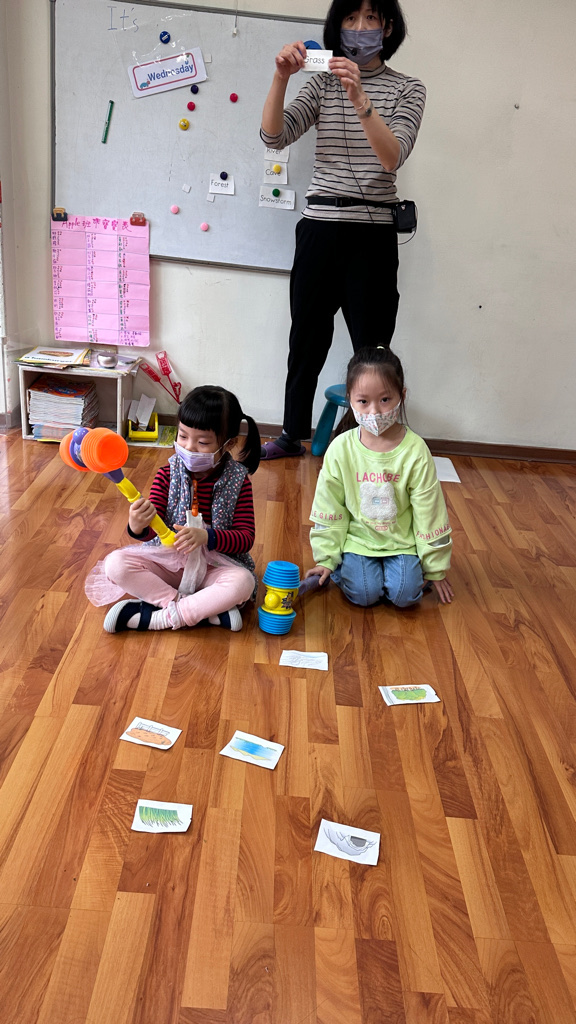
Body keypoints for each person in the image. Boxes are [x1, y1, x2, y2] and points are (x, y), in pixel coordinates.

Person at [260, 0, 426, 460]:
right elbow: (274, 136)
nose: (359, 27)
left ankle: (367, 437)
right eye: (350, 18)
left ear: (387, 27)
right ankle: (292, 433)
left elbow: (391, 157)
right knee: (305, 339)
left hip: (372, 234)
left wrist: (360, 99)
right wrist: (281, 77)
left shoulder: (408, 89)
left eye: (370, 17)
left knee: (372, 349)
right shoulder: (322, 82)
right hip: (319, 227)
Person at [93, 386, 261, 633]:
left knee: (243, 582)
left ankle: (158, 618)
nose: (189, 447)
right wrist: (138, 525)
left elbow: (245, 538)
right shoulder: (167, 474)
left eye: (202, 442)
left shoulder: (239, 481)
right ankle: (195, 608)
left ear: (229, 444)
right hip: (169, 564)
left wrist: (207, 536)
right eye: (182, 436)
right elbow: (153, 530)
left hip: (215, 568)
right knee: (115, 564)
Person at [306, 347, 454, 606]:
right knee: (364, 593)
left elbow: (429, 512)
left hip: (402, 543)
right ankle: (345, 566)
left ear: (402, 396)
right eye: (363, 401)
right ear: (350, 398)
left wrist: (435, 568)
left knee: (405, 596)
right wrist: (327, 559)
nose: (374, 412)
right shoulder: (340, 449)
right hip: (357, 541)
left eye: (385, 399)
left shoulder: (416, 450)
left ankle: (397, 572)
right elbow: (329, 507)